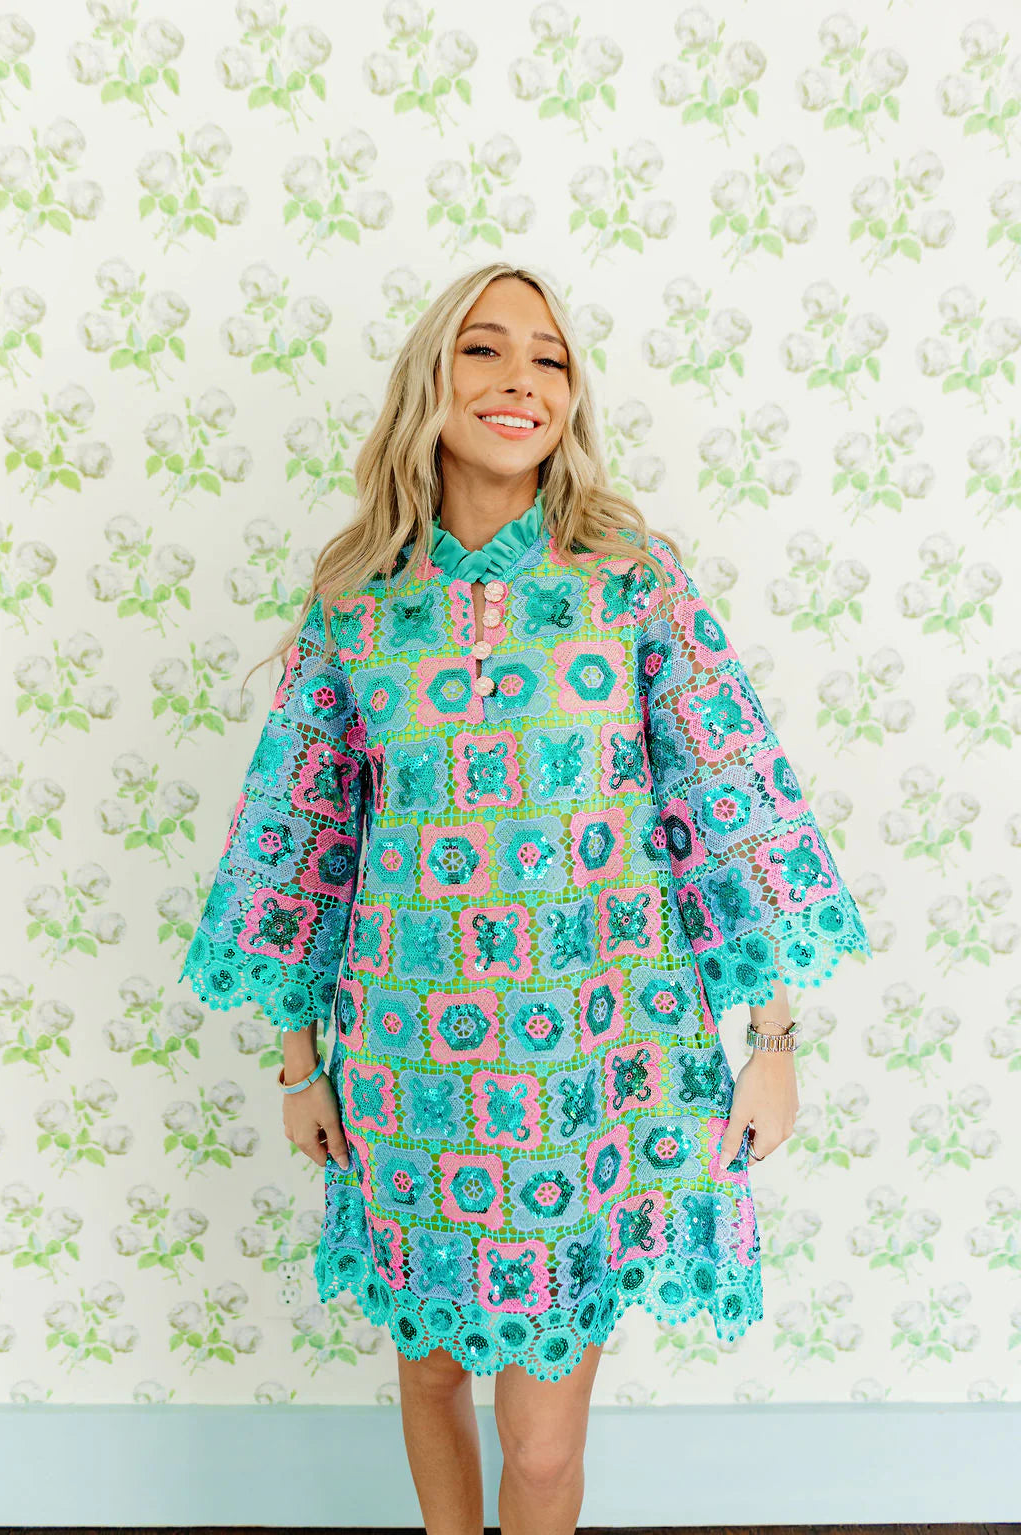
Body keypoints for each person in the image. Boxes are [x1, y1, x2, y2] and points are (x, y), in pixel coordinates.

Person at [178, 261, 871, 1534]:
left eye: (549, 357)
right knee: (430, 1374)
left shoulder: (630, 578)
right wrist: (299, 1062)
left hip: (592, 1065)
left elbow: (726, 802)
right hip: (408, 1062)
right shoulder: (356, 601)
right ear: (430, 380)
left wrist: (772, 1041)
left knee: (542, 1450)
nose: (522, 381)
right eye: (486, 349)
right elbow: (300, 845)